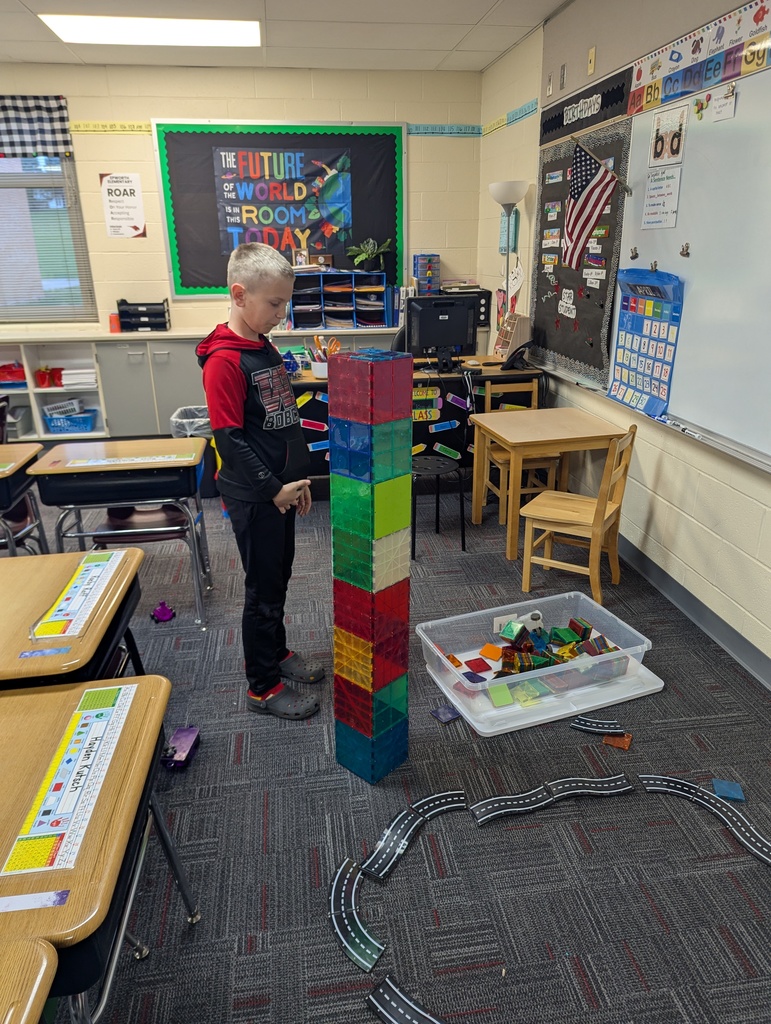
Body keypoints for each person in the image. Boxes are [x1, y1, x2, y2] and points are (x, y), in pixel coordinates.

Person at [197, 243, 325, 720]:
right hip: (256, 497)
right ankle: (262, 685)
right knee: (262, 590)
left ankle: (277, 653)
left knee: (280, 577)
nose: (281, 313)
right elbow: (230, 440)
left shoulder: (261, 344)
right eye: (274, 304)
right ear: (239, 293)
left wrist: (297, 481)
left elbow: (280, 420)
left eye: (285, 303)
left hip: (282, 491)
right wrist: (273, 490)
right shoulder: (224, 361)